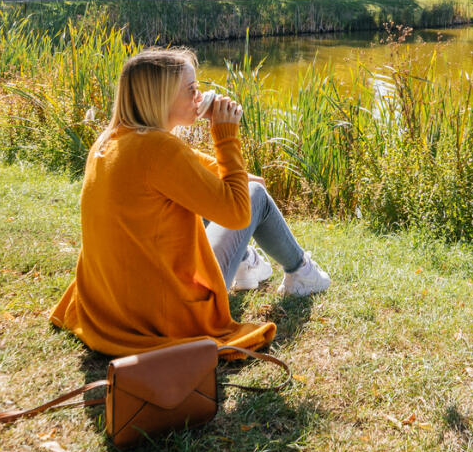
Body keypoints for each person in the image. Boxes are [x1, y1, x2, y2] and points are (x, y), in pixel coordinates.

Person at [50, 47, 330, 357]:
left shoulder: (110, 141)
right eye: (191, 89)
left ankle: (247, 262)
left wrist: (237, 172)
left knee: (236, 190)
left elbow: (189, 167)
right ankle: (302, 273)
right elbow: (238, 213)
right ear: (161, 97)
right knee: (256, 197)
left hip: (113, 304)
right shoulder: (160, 150)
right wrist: (225, 137)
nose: (199, 96)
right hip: (167, 312)